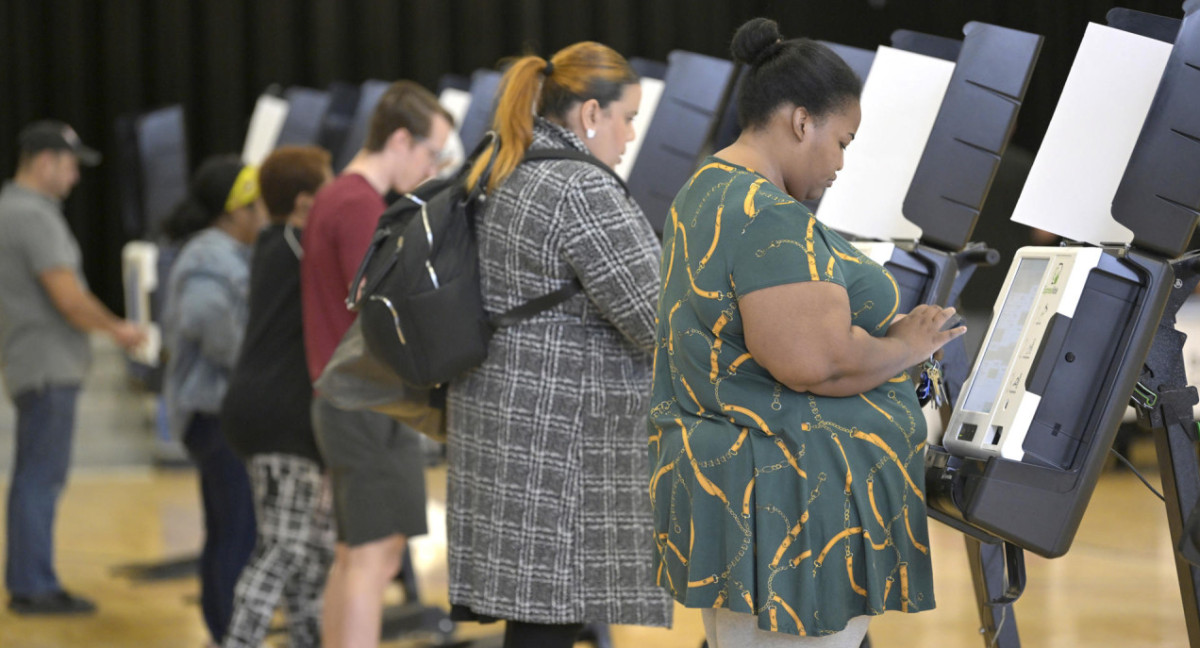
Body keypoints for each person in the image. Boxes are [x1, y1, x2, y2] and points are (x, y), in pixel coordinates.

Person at [648, 18, 966, 648]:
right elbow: (819, 365)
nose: (842, 162)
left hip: (760, 495)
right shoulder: (765, 212)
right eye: (843, 140)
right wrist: (911, 345)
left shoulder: (706, 189)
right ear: (801, 122)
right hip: (788, 505)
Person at [447, 42, 671, 648]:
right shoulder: (580, 187)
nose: (628, 137)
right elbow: (655, 318)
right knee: (550, 616)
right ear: (591, 114)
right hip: (557, 441)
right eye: (627, 119)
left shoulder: (505, 164)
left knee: (546, 611)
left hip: (513, 420)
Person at [300, 80, 452, 648]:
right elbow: (385, 308)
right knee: (373, 558)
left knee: (357, 555)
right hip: (365, 403)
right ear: (399, 140)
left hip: (346, 402)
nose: (433, 165)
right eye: (431, 152)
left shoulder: (337, 195)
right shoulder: (360, 204)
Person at [0, 120, 146, 615]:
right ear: (45, 161)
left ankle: (30, 578)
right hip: (47, 366)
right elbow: (68, 298)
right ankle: (33, 585)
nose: (74, 177)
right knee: (41, 478)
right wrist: (119, 330)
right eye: (69, 165)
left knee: (34, 476)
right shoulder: (33, 216)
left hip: (31, 363)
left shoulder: (12, 211)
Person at [220, 146, 335, 648]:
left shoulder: (274, 242)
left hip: (266, 412)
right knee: (285, 548)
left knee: (313, 550)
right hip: (281, 416)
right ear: (307, 201)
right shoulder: (296, 246)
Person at [162, 155, 266, 645]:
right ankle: (230, 634)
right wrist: (256, 355)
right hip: (216, 417)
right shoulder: (210, 257)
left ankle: (223, 630)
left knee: (228, 529)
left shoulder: (221, 251)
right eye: (257, 206)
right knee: (237, 534)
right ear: (235, 211)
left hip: (217, 415)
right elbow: (205, 320)